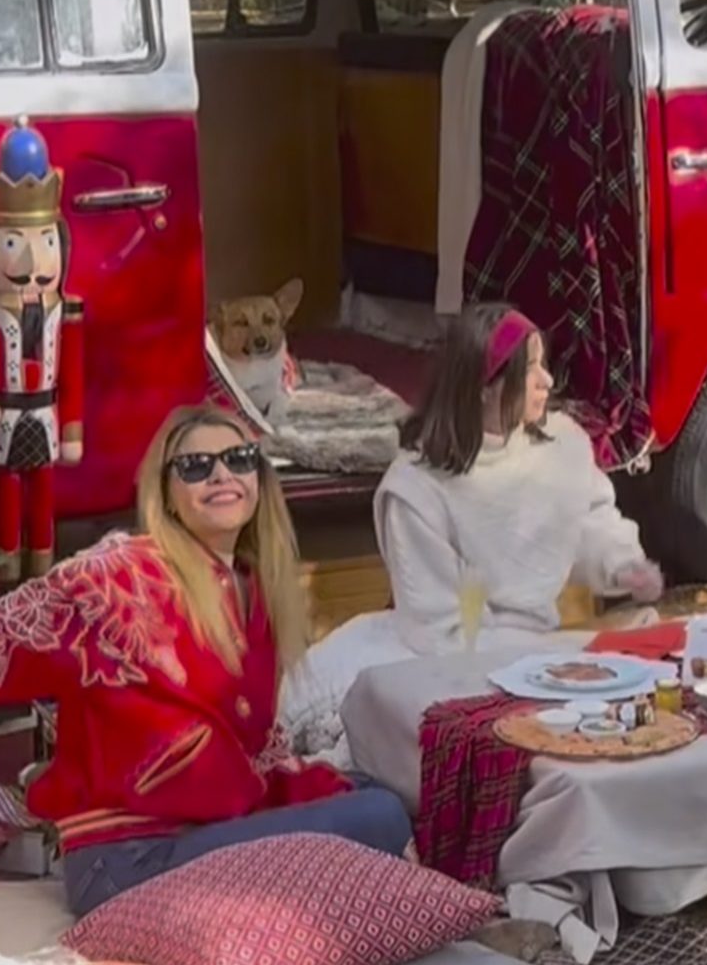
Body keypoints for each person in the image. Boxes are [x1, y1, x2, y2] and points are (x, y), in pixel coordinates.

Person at [0, 405, 412, 916]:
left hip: (209, 834)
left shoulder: (254, 594)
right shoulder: (117, 579)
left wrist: (324, 789)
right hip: (130, 862)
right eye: (197, 465)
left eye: (238, 460)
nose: (222, 476)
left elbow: (261, 757)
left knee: (376, 796)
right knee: (379, 820)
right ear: (166, 490)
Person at [281, 305, 664, 763]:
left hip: (528, 641)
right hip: (433, 648)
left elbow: (588, 522)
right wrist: (538, 663)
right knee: (336, 729)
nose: (548, 381)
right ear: (487, 388)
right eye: (531, 369)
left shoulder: (564, 445)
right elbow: (437, 626)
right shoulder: (417, 487)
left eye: (544, 363)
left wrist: (623, 565)